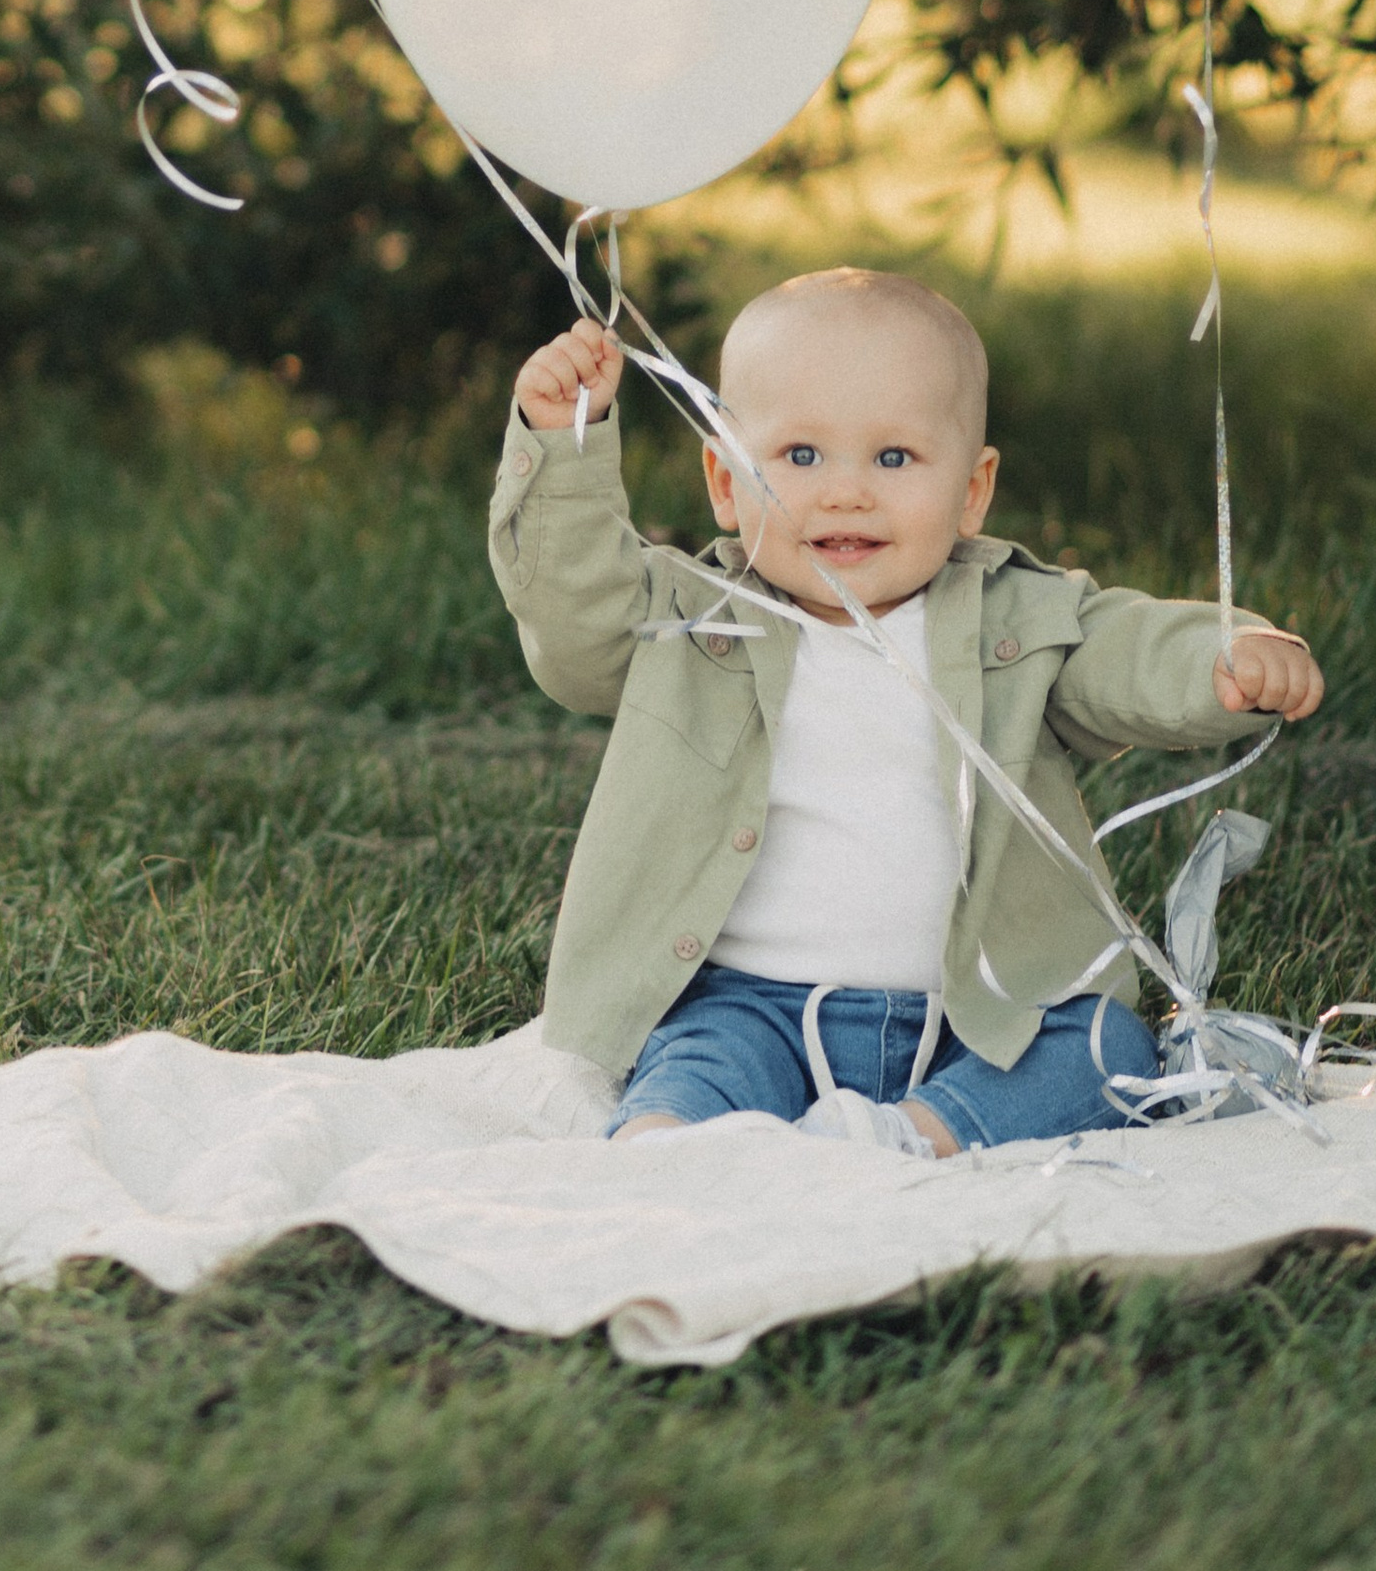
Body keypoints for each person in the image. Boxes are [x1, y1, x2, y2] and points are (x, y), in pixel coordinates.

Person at [491, 266, 1323, 1153]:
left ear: (972, 490)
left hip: (982, 1014)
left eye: (894, 458)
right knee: (696, 1066)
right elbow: (575, 616)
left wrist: (1223, 660)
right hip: (749, 1000)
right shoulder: (692, 622)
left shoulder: (1013, 620)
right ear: (726, 482)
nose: (847, 491)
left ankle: (913, 1136)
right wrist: (562, 446)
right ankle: (671, 1149)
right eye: (801, 456)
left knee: (1104, 1047)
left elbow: (1123, 649)